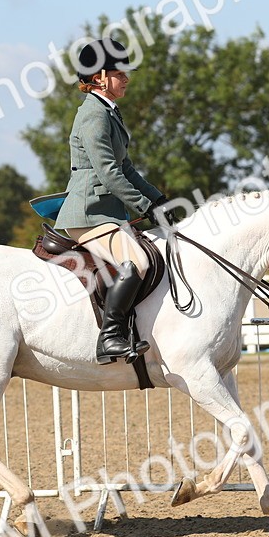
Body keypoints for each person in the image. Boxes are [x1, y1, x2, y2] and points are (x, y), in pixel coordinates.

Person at [55, 37, 169, 364]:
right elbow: (107, 173)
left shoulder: (109, 113)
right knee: (138, 262)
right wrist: (144, 207)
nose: (127, 79)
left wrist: (157, 198)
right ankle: (110, 337)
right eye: (121, 73)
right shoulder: (94, 114)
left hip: (105, 213)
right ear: (101, 77)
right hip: (88, 213)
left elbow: (126, 168)